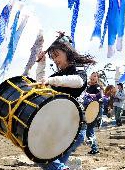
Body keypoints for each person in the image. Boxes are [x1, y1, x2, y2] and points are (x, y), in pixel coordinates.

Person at [37, 32, 96, 170]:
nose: (55, 60)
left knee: (41, 155)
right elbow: (41, 85)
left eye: (57, 55)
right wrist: (42, 64)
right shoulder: (60, 73)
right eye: (52, 57)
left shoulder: (78, 67)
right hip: (63, 127)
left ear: (67, 51)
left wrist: (52, 81)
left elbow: (79, 81)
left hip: (73, 128)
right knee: (53, 164)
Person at [84, 72, 102, 155]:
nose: (93, 77)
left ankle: (95, 149)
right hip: (89, 110)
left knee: (89, 130)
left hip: (95, 110)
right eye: (92, 76)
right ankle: (94, 148)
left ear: (97, 78)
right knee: (89, 130)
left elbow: (99, 96)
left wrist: (89, 95)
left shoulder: (97, 87)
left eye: (95, 76)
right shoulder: (89, 86)